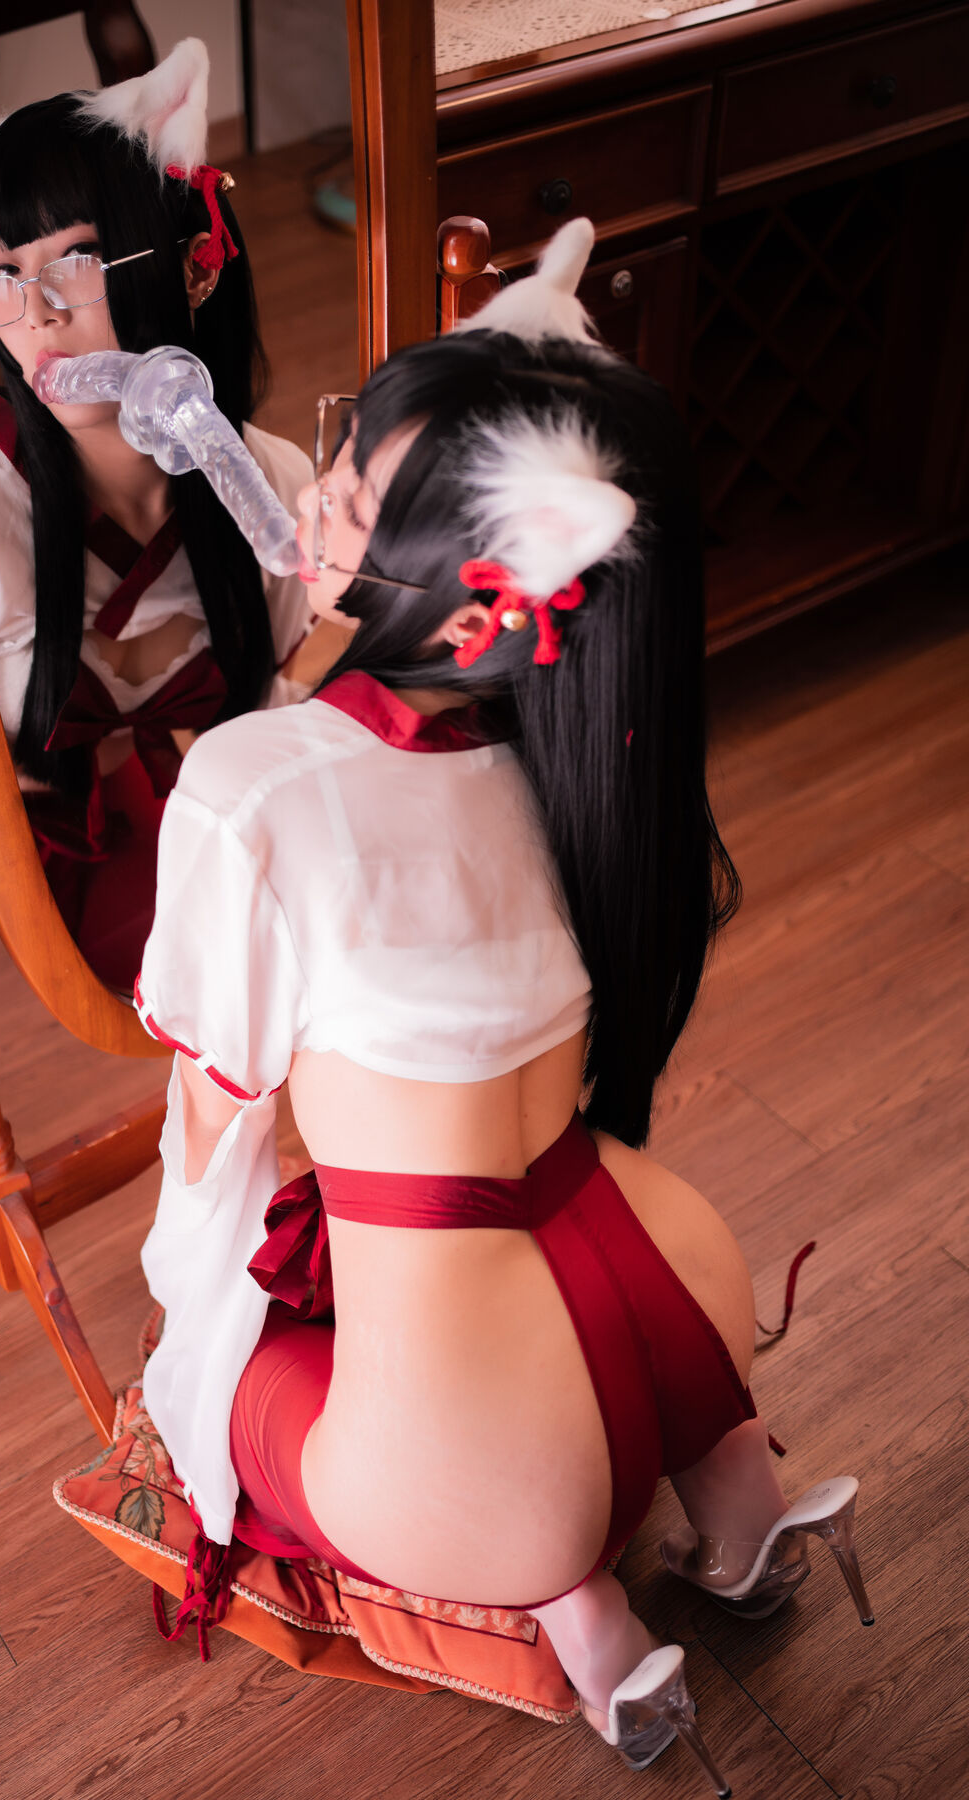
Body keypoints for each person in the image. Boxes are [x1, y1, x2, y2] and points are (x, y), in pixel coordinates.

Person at [134, 220, 874, 1790]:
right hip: (675, 1278)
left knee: (216, 1376)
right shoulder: (579, 754)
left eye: (349, 493)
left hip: (479, 1447)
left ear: (468, 601)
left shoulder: (251, 785)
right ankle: (740, 1503)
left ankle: (582, 1615)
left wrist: (189, 1299)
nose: (310, 498)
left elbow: (217, 1112)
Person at [0, 40, 343, 988]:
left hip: (229, 844)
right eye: (3, 275)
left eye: (77, 260)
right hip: (56, 888)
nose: (36, 316)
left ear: (188, 269)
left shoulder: (270, 483)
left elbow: (285, 724)